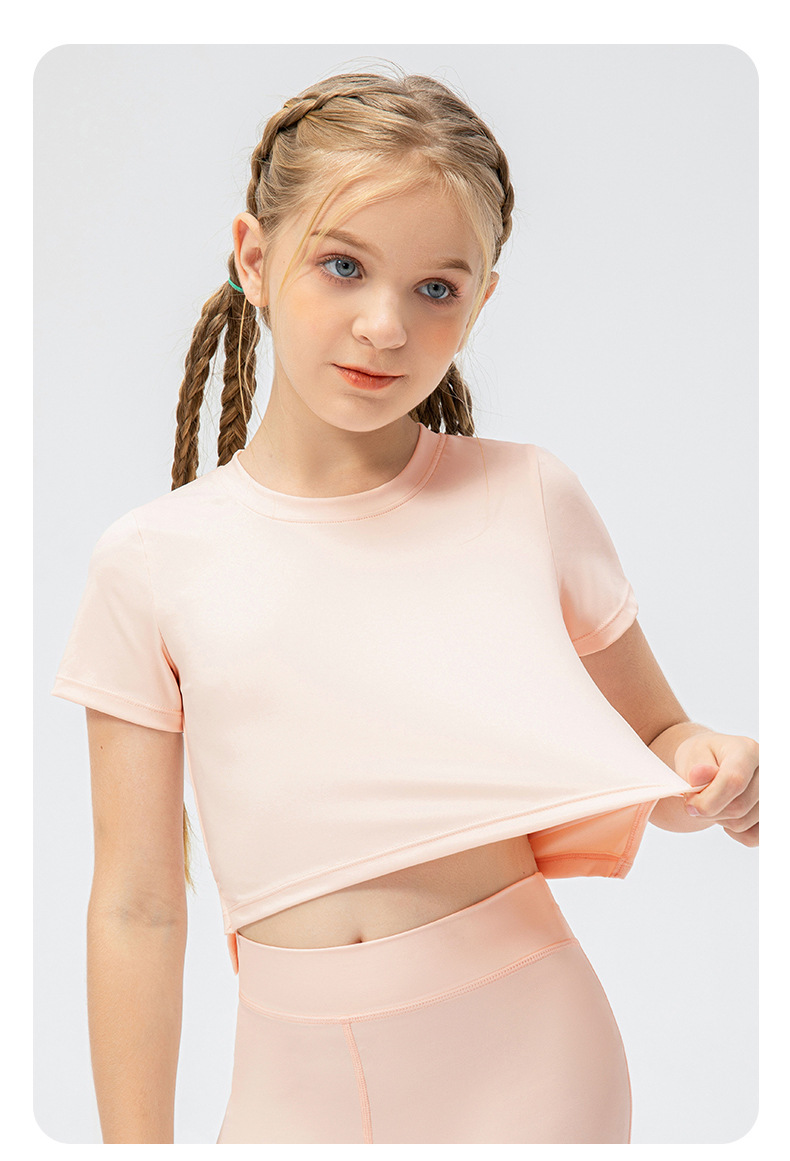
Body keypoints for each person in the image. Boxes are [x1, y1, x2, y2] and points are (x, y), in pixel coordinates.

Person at [51, 68, 759, 1145]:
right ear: (254, 257)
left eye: (436, 288)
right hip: (288, 1087)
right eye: (342, 266)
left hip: (531, 1060)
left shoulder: (528, 498)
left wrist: (712, 771)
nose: (383, 326)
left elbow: (661, 743)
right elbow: (137, 906)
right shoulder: (150, 561)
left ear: (480, 302)